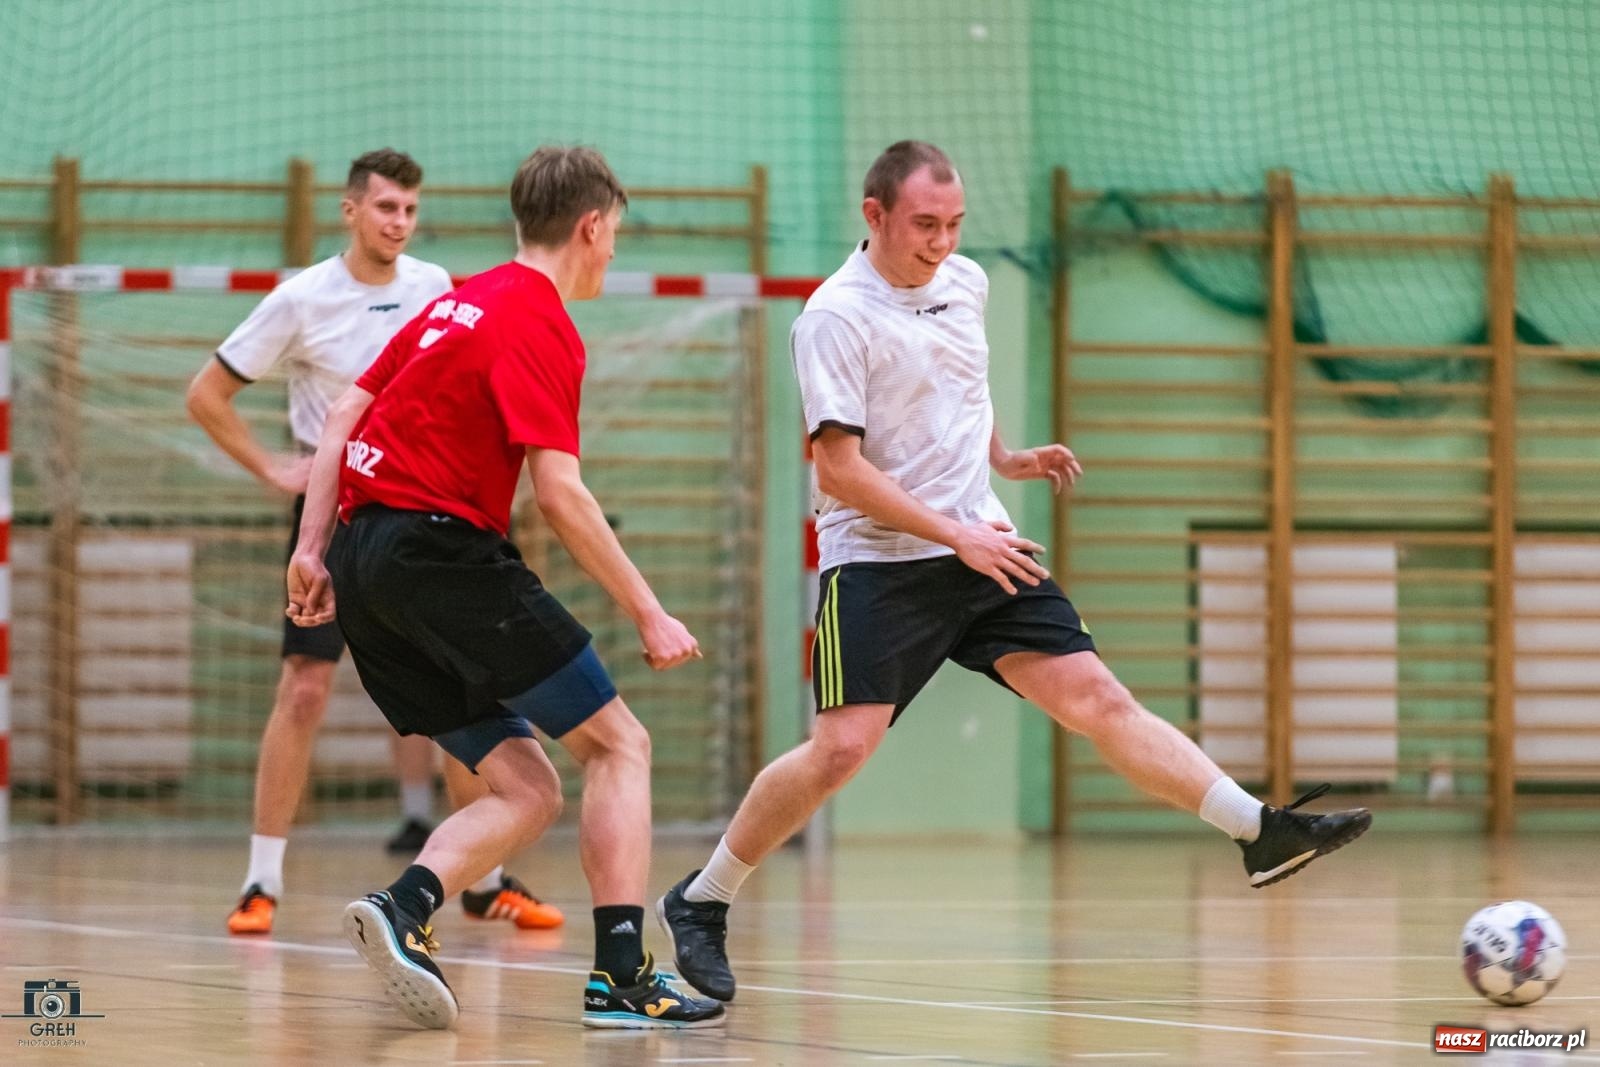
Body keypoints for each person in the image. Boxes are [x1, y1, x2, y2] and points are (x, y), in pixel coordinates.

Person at [656, 140, 1374, 1004]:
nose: (942, 242)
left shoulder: (967, 284)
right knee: (841, 748)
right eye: (925, 224)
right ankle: (702, 900)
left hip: (980, 544)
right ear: (874, 214)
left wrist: (1003, 455)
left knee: (1099, 700)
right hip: (882, 561)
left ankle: (1257, 828)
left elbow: (961, 383)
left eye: (955, 224)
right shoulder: (835, 318)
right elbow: (839, 470)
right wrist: (954, 532)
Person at [285, 145, 724, 1031]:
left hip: (365, 562)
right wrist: (649, 608)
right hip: (439, 554)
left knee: (528, 786)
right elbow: (560, 492)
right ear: (592, 226)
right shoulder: (541, 321)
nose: (611, 255)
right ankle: (621, 976)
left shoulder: (454, 302)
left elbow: (340, 415)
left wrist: (312, 547)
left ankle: (404, 906)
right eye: (614, 238)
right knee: (619, 744)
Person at [187, 148, 561, 937]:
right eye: (386, 207)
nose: (399, 222)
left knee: (465, 689)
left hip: (427, 514)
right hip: (335, 515)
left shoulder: (437, 288)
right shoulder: (302, 298)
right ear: (351, 210)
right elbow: (207, 392)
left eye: (410, 210)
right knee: (304, 687)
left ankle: (484, 880)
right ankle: (261, 880)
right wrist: (269, 468)